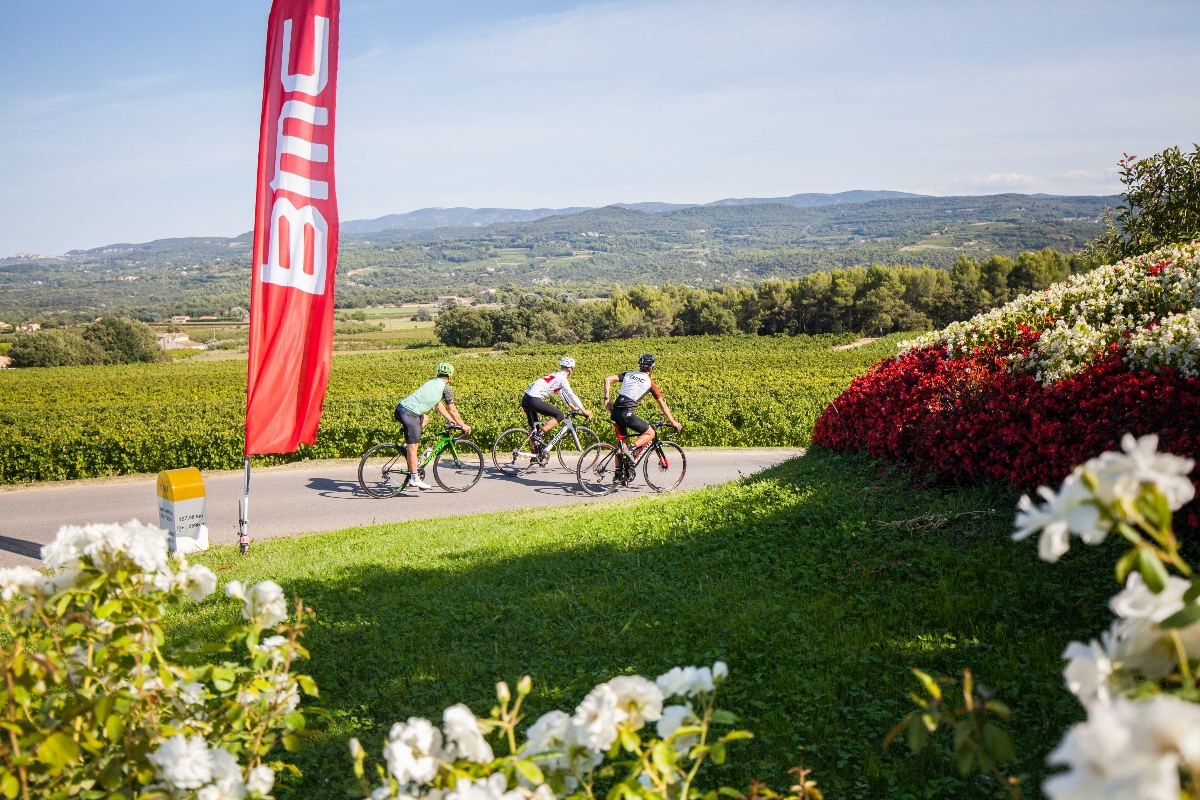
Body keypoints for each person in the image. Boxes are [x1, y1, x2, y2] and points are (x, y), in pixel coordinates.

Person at [394, 362, 471, 490]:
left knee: (425, 418)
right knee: (413, 447)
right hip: (409, 413)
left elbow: (438, 406)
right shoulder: (446, 388)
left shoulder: (433, 382)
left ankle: (410, 450)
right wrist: (462, 425)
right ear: (450, 377)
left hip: (403, 409)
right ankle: (414, 478)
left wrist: (451, 421)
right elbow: (452, 410)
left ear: (438, 374)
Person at [602, 354, 682, 474]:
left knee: (622, 444)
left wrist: (606, 399)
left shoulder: (628, 374)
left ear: (640, 366)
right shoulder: (650, 383)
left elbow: (607, 379)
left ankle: (619, 475)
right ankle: (630, 450)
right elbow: (663, 405)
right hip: (625, 414)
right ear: (651, 368)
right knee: (650, 432)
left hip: (615, 413)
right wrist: (673, 422)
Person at [522, 356, 593, 453]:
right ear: (570, 369)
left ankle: (535, 456)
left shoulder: (555, 375)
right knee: (559, 415)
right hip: (534, 399)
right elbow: (571, 394)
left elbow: (561, 392)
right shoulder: (562, 378)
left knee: (534, 429)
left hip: (526, 399)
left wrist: (571, 406)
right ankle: (539, 434)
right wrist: (585, 411)